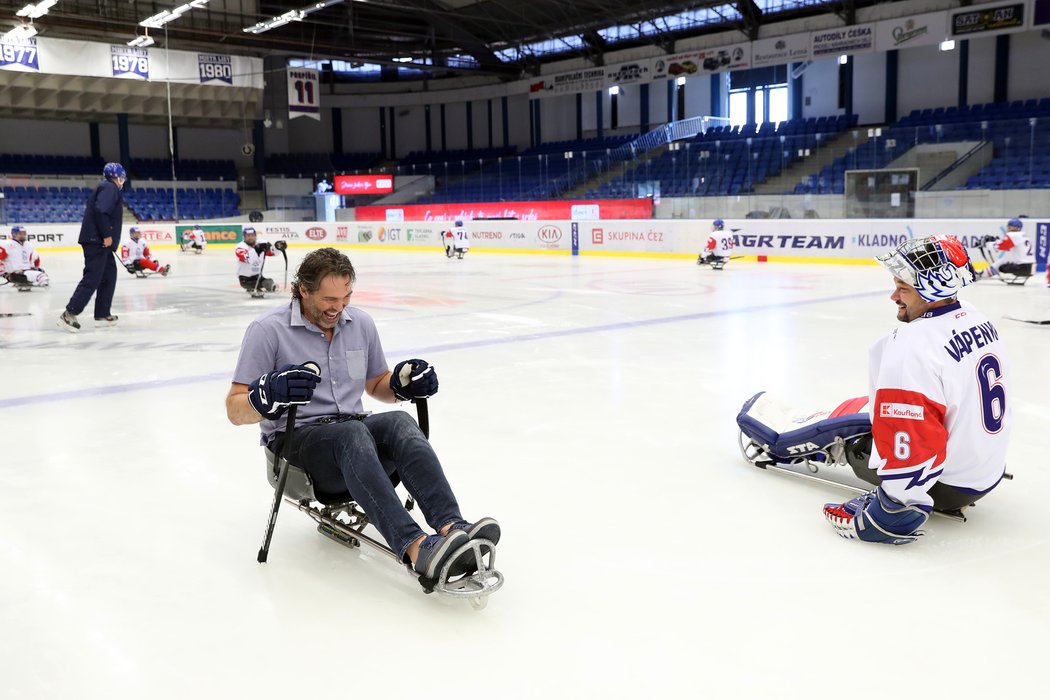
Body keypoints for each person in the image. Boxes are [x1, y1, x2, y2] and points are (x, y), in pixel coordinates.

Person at [225, 247, 499, 581]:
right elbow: (235, 409)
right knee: (351, 434)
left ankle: (452, 526)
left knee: (398, 422)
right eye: (328, 299)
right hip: (296, 446)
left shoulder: (361, 324)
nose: (338, 308)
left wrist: (401, 384)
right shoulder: (268, 330)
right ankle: (416, 547)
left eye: (346, 297)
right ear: (303, 290)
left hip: (353, 435)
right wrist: (266, 395)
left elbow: (376, 384)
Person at [824, 234, 1012, 545]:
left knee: (859, 431)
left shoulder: (911, 346)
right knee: (866, 407)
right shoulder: (974, 315)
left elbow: (910, 432)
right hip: (986, 471)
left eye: (904, 288)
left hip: (945, 485)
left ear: (931, 288)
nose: (894, 297)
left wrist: (892, 509)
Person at [59, 162, 126, 332]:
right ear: (117, 177)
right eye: (122, 177)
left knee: (109, 276)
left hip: (100, 242)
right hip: (98, 241)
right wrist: (106, 235)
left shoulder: (106, 187)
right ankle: (69, 313)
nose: (122, 181)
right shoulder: (109, 187)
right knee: (93, 277)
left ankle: (102, 314)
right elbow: (101, 211)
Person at [0, 226, 49, 290]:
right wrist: (3, 272)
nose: (23, 235)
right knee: (42, 277)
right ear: (14, 234)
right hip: (14, 273)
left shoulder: (29, 245)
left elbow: (32, 261)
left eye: (24, 233)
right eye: (20, 234)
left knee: (41, 273)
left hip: (25, 271)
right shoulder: (7, 244)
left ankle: (24, 282)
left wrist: (34, 268)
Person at [235, 226, 276, 294]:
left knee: (269, 283)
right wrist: (257, 249)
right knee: (266, 284)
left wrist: (277, 247)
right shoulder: (240, 247)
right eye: (248, 235)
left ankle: (255, 287)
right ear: (244, 237)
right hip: (245, 279)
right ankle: (251, 287)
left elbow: (272, 252)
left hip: (258, 276)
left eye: (253, 235)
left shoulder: (260, 243)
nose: (251, 237)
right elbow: (248, 259)